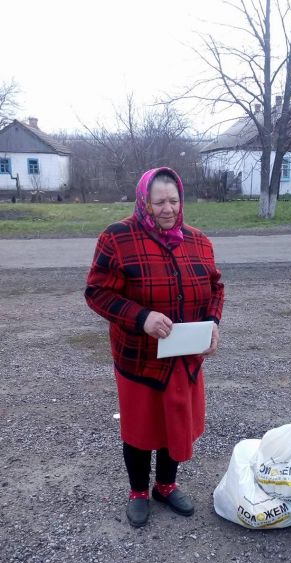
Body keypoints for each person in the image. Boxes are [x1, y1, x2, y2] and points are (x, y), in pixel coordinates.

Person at [85, 167, 224, 528]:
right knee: (140, 428)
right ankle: (138, 492)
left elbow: (215, 288)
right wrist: (141, 317)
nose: (168, 209)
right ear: (144, 201)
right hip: (139, 358)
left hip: (184, 356)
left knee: (173, 423)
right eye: (159, 201)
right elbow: (97, 292)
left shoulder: (198, 241)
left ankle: (165, 486)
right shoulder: (117, 237)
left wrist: (213, 323)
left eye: (173, 200)